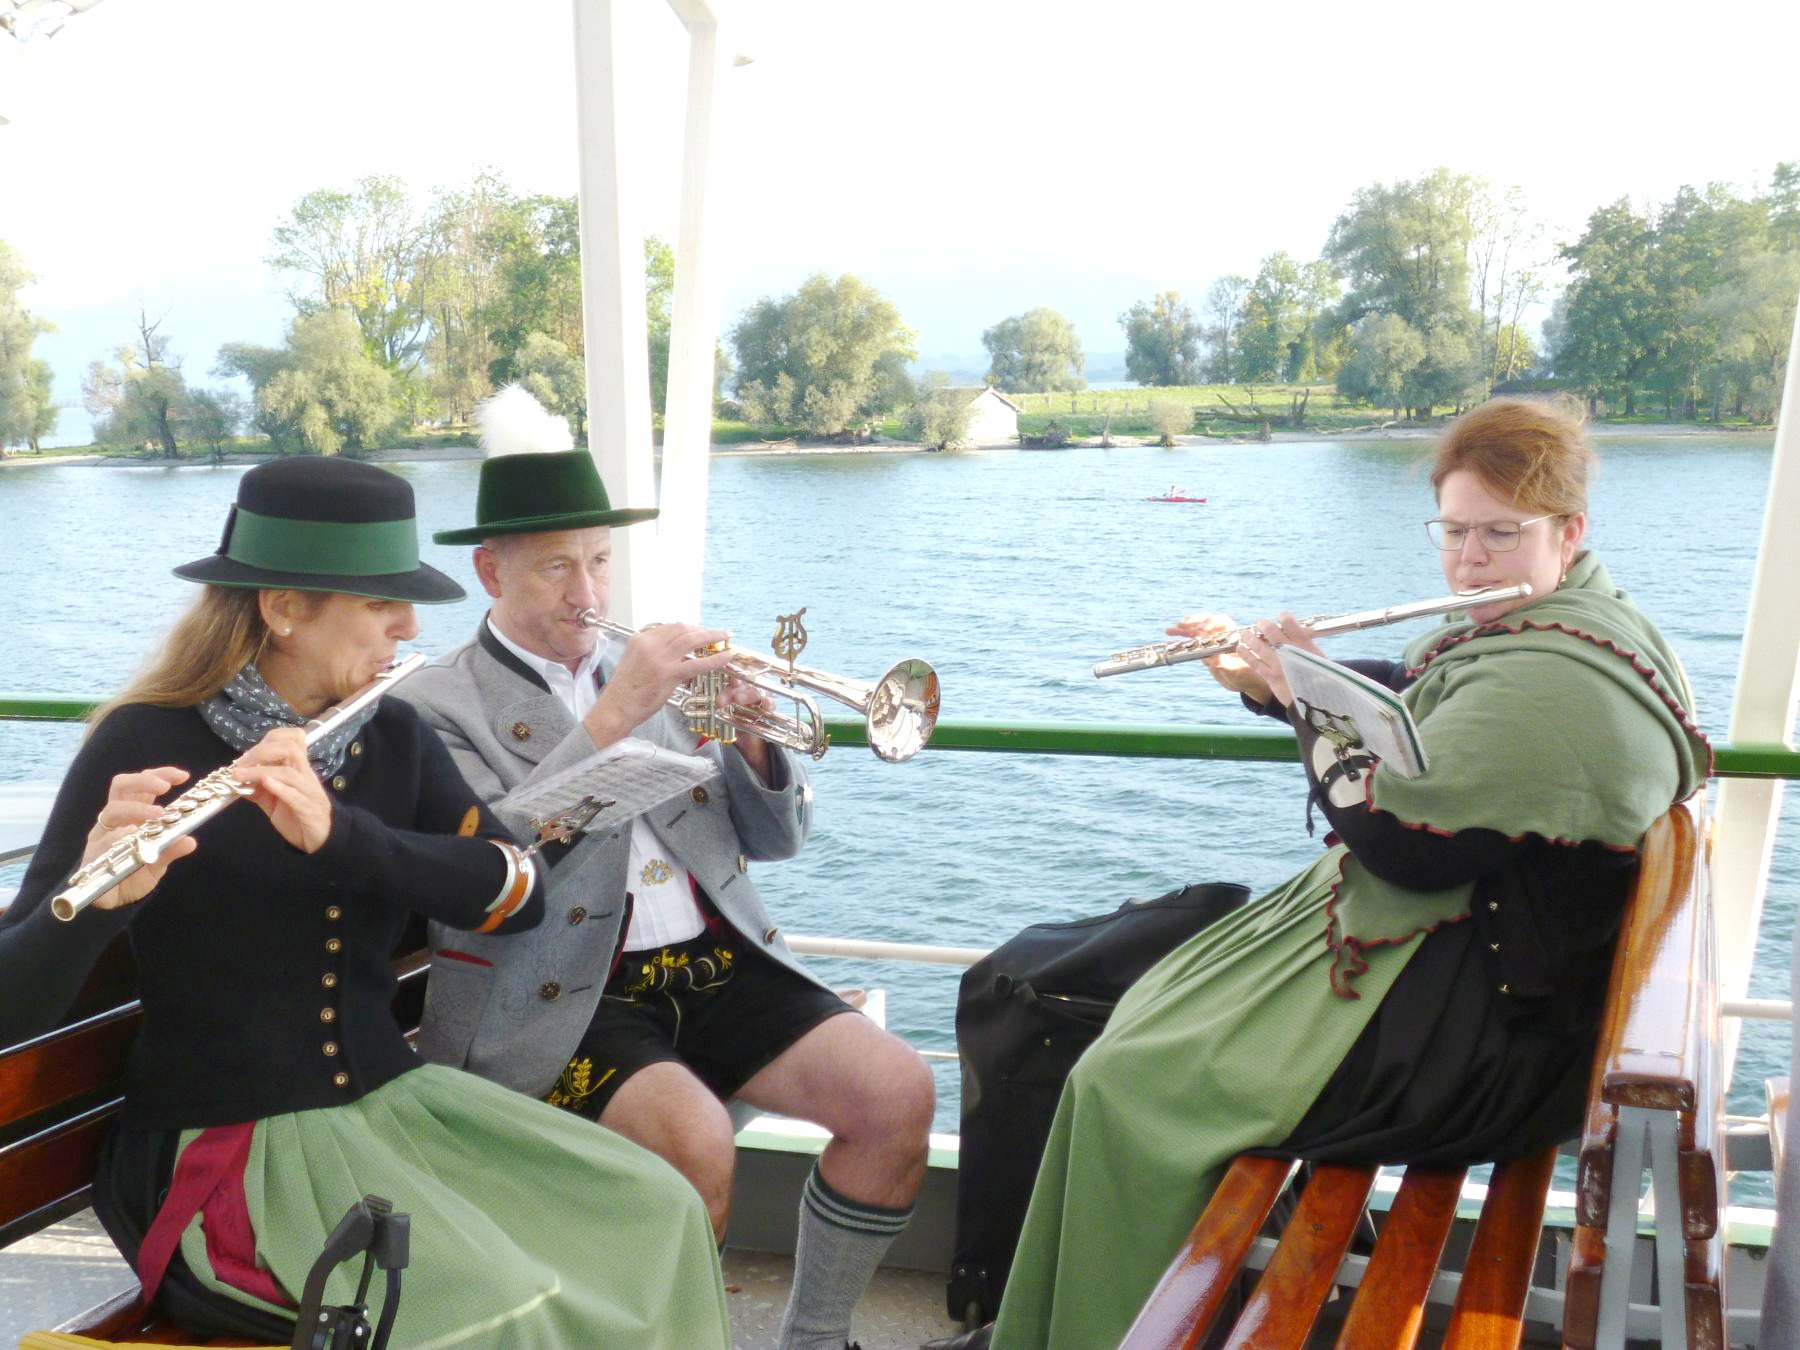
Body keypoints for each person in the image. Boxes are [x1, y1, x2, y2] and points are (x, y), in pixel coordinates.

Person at [955, 397, 1712, 1349]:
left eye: (1501, 533)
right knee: (1110, 1000)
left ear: (1570, 531)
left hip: (1481, 1040)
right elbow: (1417, 702)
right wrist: (1272, 680)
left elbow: (1405, 839)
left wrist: (1307, 699)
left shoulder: (1553, 682)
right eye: (1455, 531)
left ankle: (1093, 1325)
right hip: (1484, 970)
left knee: (1122, 1078)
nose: (1471, 560)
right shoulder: (1576, 620)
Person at [0, 457, 731, 1350]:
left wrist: (341, 837)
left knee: (660, 1214)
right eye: (381, 602)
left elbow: (517, 892)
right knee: (505, 1308)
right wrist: (101, 899)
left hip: (392, 1108)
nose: (409, 626)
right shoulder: (146, 740)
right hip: (229, 1149)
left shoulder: (387, 733)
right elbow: (13, 1007)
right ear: (283, 609)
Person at [401, 385, 935, 1350]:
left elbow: (774, 844)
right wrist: (613, 719)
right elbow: (488, 866)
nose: (588, 593)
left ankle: (815, 1340)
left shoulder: (659, 680)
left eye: (600, 561)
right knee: (695, 1142)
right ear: (489, 571)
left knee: (899, 1095)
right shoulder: (437, 705)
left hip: (714, 961)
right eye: (557, 567)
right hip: (562, 992)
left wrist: (755, 741)